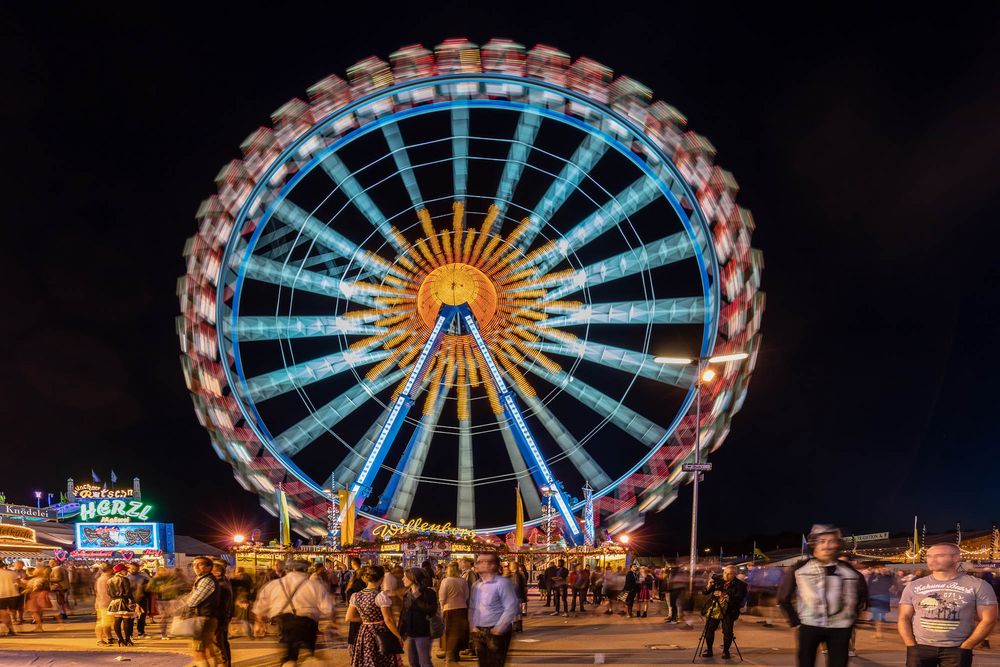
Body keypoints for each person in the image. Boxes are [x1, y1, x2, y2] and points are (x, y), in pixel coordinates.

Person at [778, 524, 868, 667]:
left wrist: (852, 620)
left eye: (831, 541)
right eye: (822, 541)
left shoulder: (849, 570)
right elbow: (783, 598)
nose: (827, 545)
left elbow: (862, 595)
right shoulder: (800, 568)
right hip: (809, 626)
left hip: (841, 628)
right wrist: (795, 621)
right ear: (814, 543)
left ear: (838, 544)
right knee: (806, 663)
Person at [898, 543, 997, 666]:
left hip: (957, 648)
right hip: (920, 648)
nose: (932, 560)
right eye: (929, 556)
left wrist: (967, 646)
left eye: (939, 556)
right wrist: (911, 645)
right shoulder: (914, 585)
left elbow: (989, 620)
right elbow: (904, 617)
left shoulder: (978, 585)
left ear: (956, 558)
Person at [254, 559, 333, 666]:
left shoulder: (274, 585)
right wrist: (332, 622)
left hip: (284, 624)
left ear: (286, 570)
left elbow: (260, 606)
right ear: (306, 570)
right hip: (308, 625)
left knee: (289, 657)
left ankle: (290, 661)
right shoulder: (315, 585)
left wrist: (259, 623)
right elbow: (328, 608)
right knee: (308, 656)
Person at [345, 564, 403, 667]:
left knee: (367, 659)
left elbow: (349, 617)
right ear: (381, 579)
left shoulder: (356, 596)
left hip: (364, 632)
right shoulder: (380, 596)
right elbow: (388, 619)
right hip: (380, 632)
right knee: (382, 659)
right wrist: (397, 636)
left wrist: (366, 619)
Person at [469, 552, 519, 667]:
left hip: (495, 631)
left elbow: (511, 606)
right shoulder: (476, 585)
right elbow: (472, 606)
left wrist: (499, 628)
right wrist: (472, 625)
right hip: (479, 630)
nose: (478, 564)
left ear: (492, 565)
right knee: (483, 663)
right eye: (478, 562)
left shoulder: (502, 583)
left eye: (482, 562)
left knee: (495, 663)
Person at [701, 566, 748, 659]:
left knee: (727, 632)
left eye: (729, 573)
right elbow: (705, 592)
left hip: (729, 610)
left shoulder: (741, 585)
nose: (725, 575)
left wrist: (724, 596)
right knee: (709, 629)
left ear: (734, 574)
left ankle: (726, 651)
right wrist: (709, 585)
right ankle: (709, 650)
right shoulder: (718, 581)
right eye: (724, 572)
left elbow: (739, 599)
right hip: (715, 608)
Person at [183, 556, 221, 666]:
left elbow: (192, 601)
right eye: (194, 565)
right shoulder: (204, 579)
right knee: (208, 648)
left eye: (199, 564)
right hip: (207, 617)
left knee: (198, 650)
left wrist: (180, 606)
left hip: (203, 618)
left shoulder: (207, 580)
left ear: (209, 567)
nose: (196, 567)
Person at [400, 568, 438, 667]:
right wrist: (401, 632)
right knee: (413, 662)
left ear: (414, 578)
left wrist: (416, 597)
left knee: (424, 662)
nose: (403, 579)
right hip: (410, 633)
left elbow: (431, 610)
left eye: (405, 577)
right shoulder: (407, 594)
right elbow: (404, 615)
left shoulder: (428, 592)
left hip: (423, 632)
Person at [439, 561, 470, 664]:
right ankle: (456, 653)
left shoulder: (446, 581)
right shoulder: (463, 581)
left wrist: (442, 607)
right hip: (462, 609)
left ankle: (450, 655)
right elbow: (466, 595)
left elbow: (442, 597)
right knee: (459, 632)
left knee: (448, 632)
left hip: (449, 609)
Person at [150, 565, 185, 640]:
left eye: (164, 571)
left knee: (172, 616)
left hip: (170, 599)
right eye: (162, 571)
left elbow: (176, 586)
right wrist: (159, 589)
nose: (163, 572)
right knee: (164, 617)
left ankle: (172, 631)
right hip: (161, 601)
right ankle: (164, 634)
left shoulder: (168, 579)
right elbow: (150, 589)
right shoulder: (155, 580)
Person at [107, 563, 136, 647]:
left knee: (117, 620)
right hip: (124, 601)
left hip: (114, 602)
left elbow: (108, 593)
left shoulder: (109, 580)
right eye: (125, 570)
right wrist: (133, 602)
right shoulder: (124, 579)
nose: (127, 571)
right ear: (120, 571)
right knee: (126, 621)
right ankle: (127, 640)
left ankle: (120, 639)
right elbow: (128, 592)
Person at [212, 561, 234, 665]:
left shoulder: (220, 585)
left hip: (220, 618)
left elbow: (218, 604)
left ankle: (224, 663)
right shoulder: (225, 581)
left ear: (217, 572)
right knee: (223, 642)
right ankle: (226, 663)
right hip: (224, 617)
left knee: (219, 644)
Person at [345, 556, 366, 654]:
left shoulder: (356, 575)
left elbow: (349, 589)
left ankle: (352, 644)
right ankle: (355, 644)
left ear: (353, 563)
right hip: (358, 602)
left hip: (356, 602)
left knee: (354, 624)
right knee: (357, 623)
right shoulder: (359, 574)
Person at [866, 565, 894, 640]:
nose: (877, 569)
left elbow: (889, 584)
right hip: (874, 597)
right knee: (876, 615)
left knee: (878, 615)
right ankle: (878, 632)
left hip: (882, 597)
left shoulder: (886, 577)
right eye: (876, 568)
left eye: (879, 568)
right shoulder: (872, 576)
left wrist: (885, 574)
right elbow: (869, 586)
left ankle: (879, 633)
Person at [125, 562, 150, 638]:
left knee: (142, 616)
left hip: (142, 598)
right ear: (129, 568)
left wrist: (146, 576)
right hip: (131, 600)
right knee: (130, 617)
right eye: (132, 568)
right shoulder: (126, 578)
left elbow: (150, 583)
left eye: (135, 568)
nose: (133, 570)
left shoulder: (142, 577)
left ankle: (141, 632)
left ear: (138, 568)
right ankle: (130, 634)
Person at [93, 563, 113, 646]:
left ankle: (109, 637)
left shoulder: (102, 578)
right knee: (103, 623)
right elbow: (105, 594)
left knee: (106, 622)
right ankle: (100, 640)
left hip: (102, 602)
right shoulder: (106, 579)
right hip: (105, 603)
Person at [0, 561, 19, 636]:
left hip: (1, 595)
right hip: (14, 595)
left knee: (4, 614)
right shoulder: (11, 573)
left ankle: (4, 631)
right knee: (9, 614)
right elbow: (18, 583)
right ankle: (11, 630)